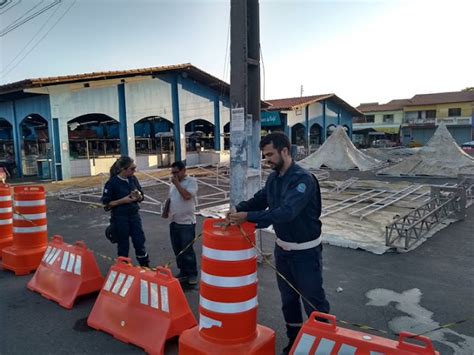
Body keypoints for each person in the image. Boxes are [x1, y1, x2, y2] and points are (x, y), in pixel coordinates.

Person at [227, 132, 330, 354]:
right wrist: (240, 209)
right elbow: (261, 199)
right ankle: (294, 342)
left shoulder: (303, 179)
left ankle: (323, 345)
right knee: (288, 300)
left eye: (271, 154)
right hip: (283, 250)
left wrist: (249, 218)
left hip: (305, 253)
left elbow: (286, 212)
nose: (267, 160)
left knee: (313, 300)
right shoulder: (275, 178)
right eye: (265, 156)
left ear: (285, 151)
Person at [101, 156, 150, 267]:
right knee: (123, 244)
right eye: (132, 169)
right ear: (123, 169)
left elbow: (142, 195)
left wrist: (139, 196)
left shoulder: (133, 179)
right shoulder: (112, 183)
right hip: (120, 217)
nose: (134, 171)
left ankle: (145, 266)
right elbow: (107, 203)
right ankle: (123, 267)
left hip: (134, 215)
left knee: (139, 241)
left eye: (134, 168)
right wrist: (123, 201)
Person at [162, 161, 198, 285]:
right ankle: (183, 271)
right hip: (174, 220)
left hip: (186, 222)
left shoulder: (191, 182)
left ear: (184, 171)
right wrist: (166, 211)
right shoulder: (172, 185)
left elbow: (187, 196)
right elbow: (171, 199)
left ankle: (192, 273)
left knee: (187, 249)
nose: (174, 175)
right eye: (173, 173)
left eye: (176, 172)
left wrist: (177, 184)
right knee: (177, 249)